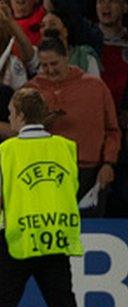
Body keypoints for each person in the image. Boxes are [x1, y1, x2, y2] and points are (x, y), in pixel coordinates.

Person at [0, 88, 95, 307]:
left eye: (10, 113)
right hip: (53, 238)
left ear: (20, 114)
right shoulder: (65, 148)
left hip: (16, 239)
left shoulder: (7, 150)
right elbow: (69, 189)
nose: (10, 117)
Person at [23, 38, 121, 216]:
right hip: (44, 173)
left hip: (90, 173)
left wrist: (109, 164)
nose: (50, 70)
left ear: (66, 57)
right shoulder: (31, 90)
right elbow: (19, 131)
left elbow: (112, 130)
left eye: (54, 63)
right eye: (44, 65)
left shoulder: (96, 87)